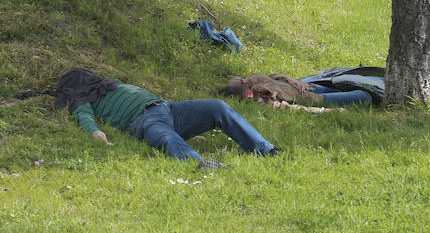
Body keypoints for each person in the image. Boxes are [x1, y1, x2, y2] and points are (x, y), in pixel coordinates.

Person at [54, 68, 277, 170]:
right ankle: (200, 164)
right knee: (165, 137)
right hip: (142, 121)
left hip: (169, 109)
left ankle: (266, 149)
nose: (89, 79)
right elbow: (84, 117)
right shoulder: (82, 100)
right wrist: (96, 133)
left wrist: (188, 127)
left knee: (218, 106)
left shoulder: (110, 84)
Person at [221, 73, 373, 108]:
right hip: (314, 99)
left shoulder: (253, 81)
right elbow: (289, 108)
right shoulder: (262, 101)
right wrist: (324, 111)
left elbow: (272, 76)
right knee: (365, 96)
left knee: (343, 81)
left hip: (305, 86)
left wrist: (289, 78)